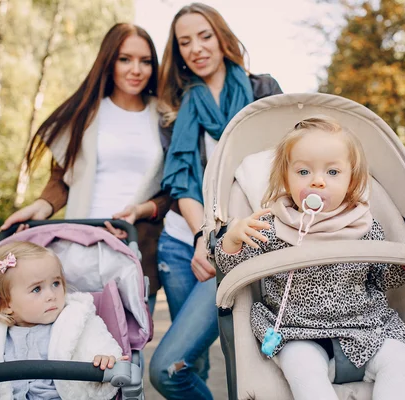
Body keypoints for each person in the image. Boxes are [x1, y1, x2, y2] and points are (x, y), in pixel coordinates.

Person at [215, 117, 405, 400]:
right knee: (302, 365)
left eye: (332, 172)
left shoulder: (365, 226)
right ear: (286, 178)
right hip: (298, 331)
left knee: (399, 356)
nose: (318, 181)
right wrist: (233, 240)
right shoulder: (271, 226)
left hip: (366, 327)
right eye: (304, 171)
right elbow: (233, 269)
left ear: (351, 180)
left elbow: (380, 277)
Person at [149, 3, 282, 399]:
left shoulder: (262, 90)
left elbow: (284, 167)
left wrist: (219, 237)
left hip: (244, 242)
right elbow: (181, 183)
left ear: (222, 38)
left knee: (229, 359)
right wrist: (201, 235)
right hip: (181, 243)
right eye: (184, 41)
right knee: (191, 364)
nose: (196, 48)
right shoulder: (174, 107)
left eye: (204, 36)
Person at [0, 23, 168, 314]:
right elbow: (62, 177)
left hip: (135, 249)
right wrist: (42, 206)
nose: (136, 69)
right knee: (76, 350)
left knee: (129, 351)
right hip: (79, 248)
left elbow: (174, 188)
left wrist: (142, 210)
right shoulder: (85, 113)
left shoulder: (166, 116)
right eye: (125, 59)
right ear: (109, 61)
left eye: (145, 61)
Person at [0, 241, 126, 400]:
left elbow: (98, 344)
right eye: (37, 289)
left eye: (56, 283)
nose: (51, 295)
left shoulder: (76, 320)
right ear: (5, 304)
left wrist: (107, 359)